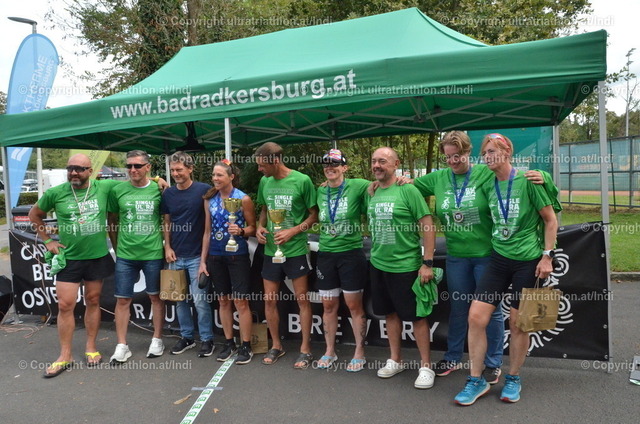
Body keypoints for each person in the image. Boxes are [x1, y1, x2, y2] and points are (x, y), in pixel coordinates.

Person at [454, 133, 558, 406]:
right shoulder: (487, 183)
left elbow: (550, 220)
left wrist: (547, 257)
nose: (487, 157)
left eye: (492, 151)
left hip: (528, 261)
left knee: (519, 323)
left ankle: (513, 377)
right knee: (476, 317)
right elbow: (454, 170)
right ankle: (476, 380)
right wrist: (407, 180)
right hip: (499, 259)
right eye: (485, 153)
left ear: (507, 151)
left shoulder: (529, 181)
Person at [29, 154, 117, 377]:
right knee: (65, 305)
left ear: (90, 171)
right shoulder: (56, 193)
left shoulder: (103, 187)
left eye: (79, 168)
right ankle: (65, 355)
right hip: (69, 258)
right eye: (70, 168)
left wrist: (157, 180)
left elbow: (134, 182)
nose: (74, 172)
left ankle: (91, 347)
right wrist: (48, 241)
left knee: (93, 301)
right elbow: (34, 215)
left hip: (96, 256)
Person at [367, 147, 437, 389]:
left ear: (396, 164)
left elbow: (427, 225)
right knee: (389, 314)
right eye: (374, 161)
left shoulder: (408, 190)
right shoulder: (372, 190)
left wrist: (427, 262)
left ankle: (426, 366)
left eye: (382, 161)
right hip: (378, 264)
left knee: (417, 317)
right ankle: (396, 359)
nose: (377, 165)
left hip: (406, 266)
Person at [255, 142, 318, 368]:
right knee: (269, 300)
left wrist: (293, 231)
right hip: (271, 250)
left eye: (262, 165)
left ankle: (305, 349)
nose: (259, 170)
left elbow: (314, 216)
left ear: (275, 161)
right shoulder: (265, 181)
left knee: (302, 299)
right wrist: (259, 227)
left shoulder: (302, 180)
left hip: (296, 250)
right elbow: (264, 209)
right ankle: (276, 345)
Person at [107, 150, 165, 363]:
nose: (132, 169)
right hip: (126, 255)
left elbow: (167, 218)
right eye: (129, 165)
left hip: (153, 252)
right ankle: (122, 345)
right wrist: (117, 247)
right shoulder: (118, 190)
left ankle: (157, 339)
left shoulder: (159, 189)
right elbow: (111, 220)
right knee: (123, 299)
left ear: (148, 167)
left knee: (155, 297)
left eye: (137, 165)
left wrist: (159, 179)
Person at [315, 149, 369, 372]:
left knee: (354, 305)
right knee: (328, 305)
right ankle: (330, 351)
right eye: (326, 164)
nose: (330, 167)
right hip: (326, 254)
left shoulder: (358, 185)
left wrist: (404, 179)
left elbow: (382, 185)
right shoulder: (320, 190)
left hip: (350, 254)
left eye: (335, 164)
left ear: (344, 167)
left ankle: (359, 352)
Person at [202, 159, 256, 364]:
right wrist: (203, 261)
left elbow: (252, 228)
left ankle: (246, 345)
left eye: (219, 175)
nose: (215, 178)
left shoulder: (243, 199)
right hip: (215, 256)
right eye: (213, 175)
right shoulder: (209, 199)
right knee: (223, 300)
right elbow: (207, 232)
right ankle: (228, 342)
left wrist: (240, 231)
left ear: (231, 177)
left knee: (240, 301)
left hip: (237, 255)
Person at [161, 151, 214, 357]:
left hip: (197, 257)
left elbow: (209, 225)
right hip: (176, 255)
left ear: (190, 169)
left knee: (200, 301)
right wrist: (167, 247)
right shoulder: (168, 194)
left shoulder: (204, 190)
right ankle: (187, 337)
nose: (176, 174)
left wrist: (204, 259)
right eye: (173, 170)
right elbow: (167, 222)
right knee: (179, 300)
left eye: (179, 170)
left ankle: (207, 339)